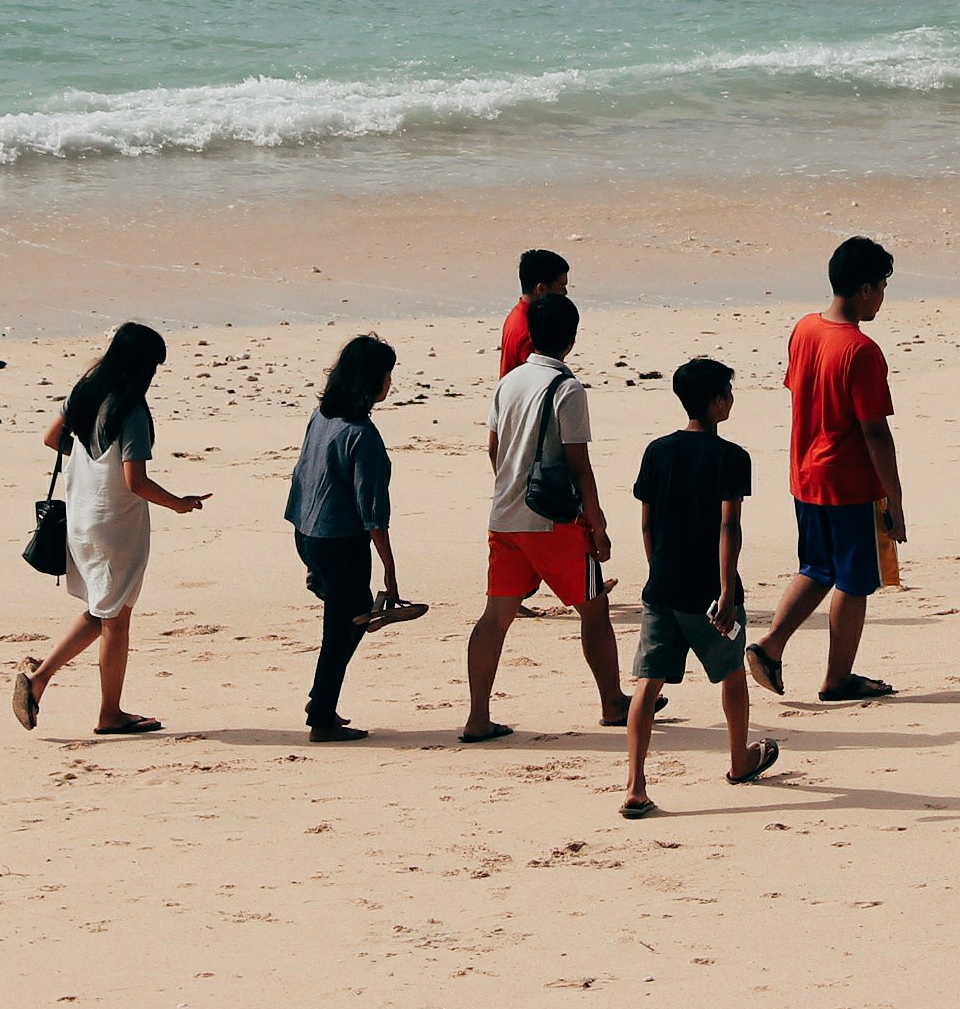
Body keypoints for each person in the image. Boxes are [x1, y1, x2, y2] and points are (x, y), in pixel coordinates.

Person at [13, 322, 207, 736]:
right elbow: (135, 481)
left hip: (81, 517)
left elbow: (52, 439)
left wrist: (90, 464)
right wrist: (180, 504)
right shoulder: (131, 410)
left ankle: (39, 680)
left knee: (103, 611)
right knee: (116, 619)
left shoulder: (85, 391)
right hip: (116, 526)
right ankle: (109, 714)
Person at [460, 291, 633, 742]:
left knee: (495, 617)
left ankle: (478, 716)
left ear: (531, 335)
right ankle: (612, 702)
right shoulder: (567, 388)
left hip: (505, 515)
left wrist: (511, 489)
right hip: (553, 521)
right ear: (572, 339)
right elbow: (579, 465)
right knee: (594, 611)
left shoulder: (509, 381)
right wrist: (597, 525)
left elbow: (495, 449)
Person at [621, 357, 781, 818]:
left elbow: (648, 524)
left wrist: (658, 572)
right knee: (731, 674)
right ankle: (738, 761)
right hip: (710, 595)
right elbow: (729, 527)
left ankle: (635, 784)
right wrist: (728, 592)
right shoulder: (732, 457)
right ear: (717, 401)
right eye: (728, 393)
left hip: (662, 588)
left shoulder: (656, 451)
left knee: (647, 685)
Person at [749, 236, 903, 704]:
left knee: (816, 566)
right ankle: (837, 677)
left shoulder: (804, 329)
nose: (881, 297)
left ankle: (770, 645)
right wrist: (894, 500)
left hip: (805, 472)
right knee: (855, 581)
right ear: (863, 289)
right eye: (880, 287)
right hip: (848, 481)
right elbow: (875, 432)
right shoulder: (861, 349)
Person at [283, 332, 421, 743]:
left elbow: (303, 475)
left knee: (352, 611)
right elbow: (373, 512)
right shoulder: (362, 436)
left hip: (307, 531)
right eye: (387, 375)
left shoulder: (321, 416)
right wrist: (391, 571)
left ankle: (320, 699)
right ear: (370, 381)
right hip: (339, 541)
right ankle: (322, 714)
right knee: (343, 622)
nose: (390, 383)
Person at [498, 248, 570, 376]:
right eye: (561, 287)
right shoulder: (531, 331)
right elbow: (540, 377)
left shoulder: (518, 313)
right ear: (541, 289)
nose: (565, 293)